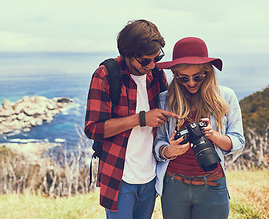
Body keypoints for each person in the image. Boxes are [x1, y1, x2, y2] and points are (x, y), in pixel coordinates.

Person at [84, 19, 180, 219]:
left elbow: (170, 109)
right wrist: (141, 119)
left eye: (157, 57)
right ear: (127, 55)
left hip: (151, 176)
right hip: (120, 178)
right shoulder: (105, 74)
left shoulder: (156, 73)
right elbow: (93, 129)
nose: (153, 65)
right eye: (145, 61)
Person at [154, 37, 245, 219]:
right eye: (183, 78)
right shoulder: (165, 99)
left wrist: (214, 136)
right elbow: (158, 143)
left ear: (208, 73)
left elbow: (238, 141)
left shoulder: (225, 97)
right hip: (173, 186)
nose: (191, 83)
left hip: (212, 185)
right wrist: (169, 150)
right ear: (175, 75)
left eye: (198, 77)